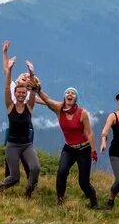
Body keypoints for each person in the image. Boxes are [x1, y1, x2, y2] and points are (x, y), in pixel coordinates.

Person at [35, 74, 99, 208]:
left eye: (73, 94)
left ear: (76, 99)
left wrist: (93, 150)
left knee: (83, 182)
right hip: (69, 148)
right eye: (68, 93)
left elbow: (89, 132)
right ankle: (60, 200)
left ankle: (93, 201)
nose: (70, 94)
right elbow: (47, 100)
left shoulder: (82, 113)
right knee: (62, 172)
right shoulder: (59, 109)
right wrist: (38, 90)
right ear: (64, 96)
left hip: (83, 149)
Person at [0, 41, 40, 197]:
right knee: (14, 177)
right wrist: (10, 68)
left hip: (26, 145)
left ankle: (28, 192)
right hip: (12, 145)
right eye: (18, 93)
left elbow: (34, 89)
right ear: (15, 94)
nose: (21, 94)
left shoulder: (29, 106)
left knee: (35, 169)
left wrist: (32, 72)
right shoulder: (10, 106)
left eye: (23, 93)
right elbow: (7, 87)